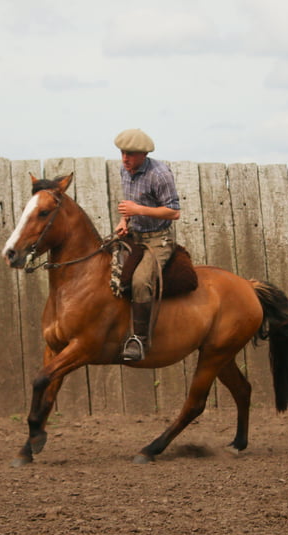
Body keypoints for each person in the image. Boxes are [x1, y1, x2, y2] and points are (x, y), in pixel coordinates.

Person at [113, 128, 181, 362]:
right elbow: (129, 204)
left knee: (141, 281)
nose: (125, 158)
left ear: (143, 154)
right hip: (135, 234)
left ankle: (140, 339)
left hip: (158, 239)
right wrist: (124, 221)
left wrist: (137, 210)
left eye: (130, 154)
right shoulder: (125, 169)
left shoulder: (160, 174)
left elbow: (174, 212)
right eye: (122, 153)